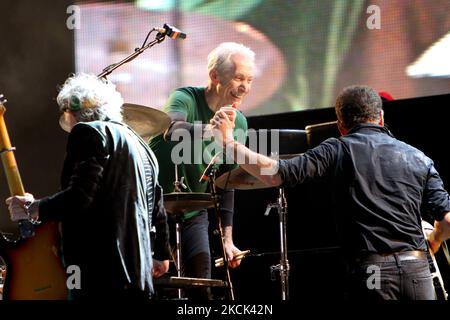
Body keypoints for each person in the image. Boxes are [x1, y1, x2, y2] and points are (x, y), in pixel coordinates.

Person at [211, 85, 450, 300]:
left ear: (340, 125)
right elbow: (447, 220)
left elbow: (276, 173)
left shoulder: (336, 148)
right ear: (381, 117)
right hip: (417, 271)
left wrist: (229, 142)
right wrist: (435, 239)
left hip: (373, 273)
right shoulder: (419, 157)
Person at [6, 73, 171, 300]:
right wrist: (162, 253)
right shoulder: (143, 146)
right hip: (139, 277)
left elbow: (80, 197)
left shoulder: (88, 132)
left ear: (71, 112)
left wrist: (32, 208)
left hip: (101, 271)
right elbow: (158, 210)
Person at [149, 42, 254, 300]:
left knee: (201, 287)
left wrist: (228, 240)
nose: (245, 87)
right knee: (162, 289)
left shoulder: (239, 121)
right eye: (239, 77)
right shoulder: (185, 97)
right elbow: (172, 129)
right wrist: (212, 131)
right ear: (215, 75)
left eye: (249, 80)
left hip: (193, 209)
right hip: (155, 209)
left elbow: (226, 182)